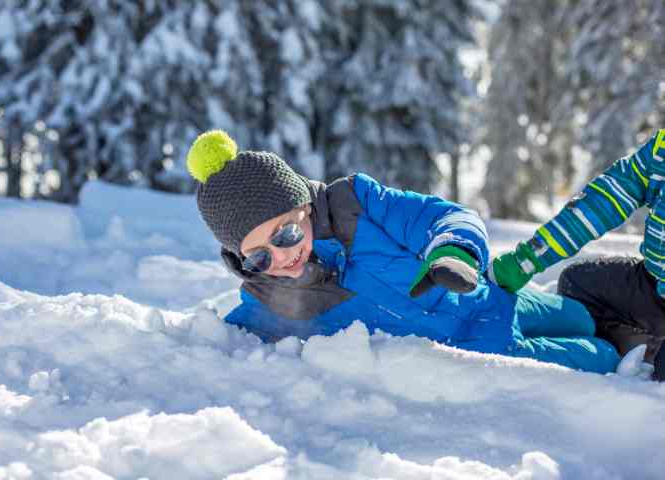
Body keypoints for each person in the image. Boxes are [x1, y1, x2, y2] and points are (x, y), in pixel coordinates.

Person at [187, 129, 621, 374]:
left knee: (584, 318)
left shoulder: (357, 204)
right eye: (259, 257)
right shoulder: (270, 298)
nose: (280, 259)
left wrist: (454, 252)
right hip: (484, 348)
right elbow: (223, 339)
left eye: (283, 236)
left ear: (301, 202)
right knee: (605, 360)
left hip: (489, 296)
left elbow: (443, 217)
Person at [489, 129, 665, 380]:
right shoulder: (662, 151)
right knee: (579, 282)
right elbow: (601, 202)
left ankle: (653, 363)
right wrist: (527, 260)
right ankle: (629, 352)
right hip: (655, 281)